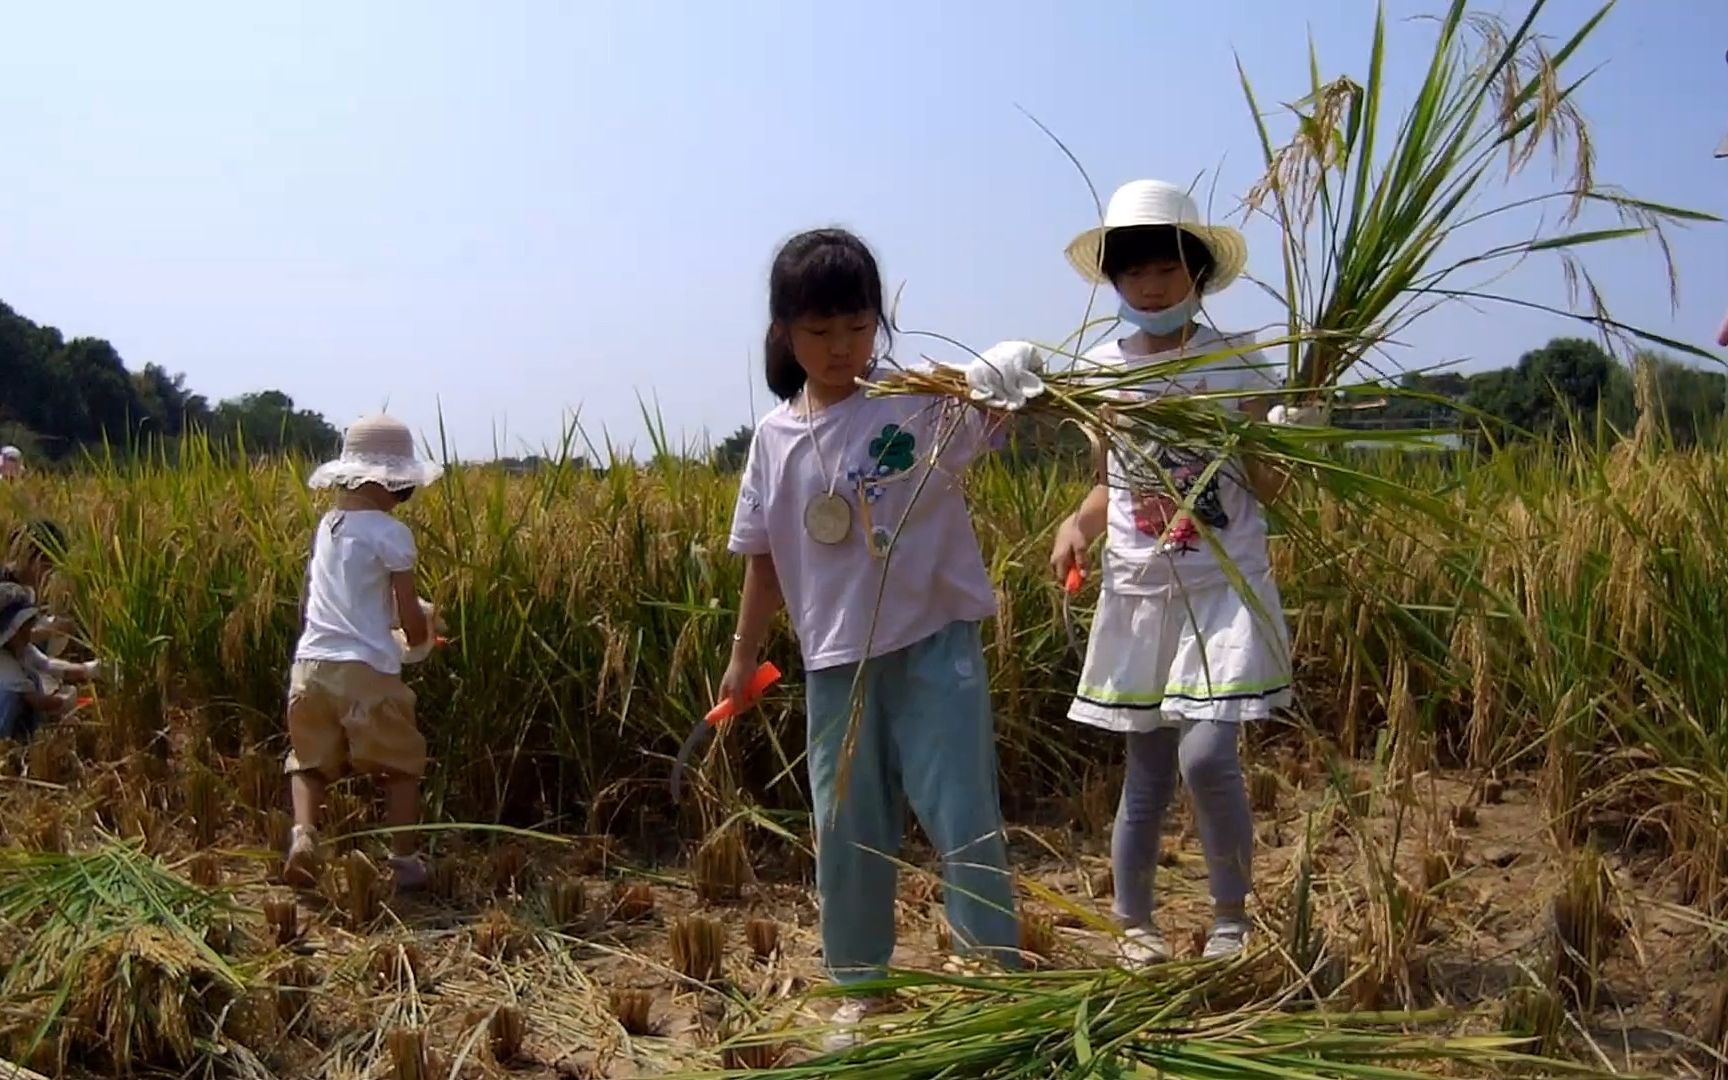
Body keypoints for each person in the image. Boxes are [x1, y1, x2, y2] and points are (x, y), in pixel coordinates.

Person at [722, 228, 1042, 1048]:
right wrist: (742, 655)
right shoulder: (772, 441)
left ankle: (990, 979)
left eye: (858, 327)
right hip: (836, 665)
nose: (840, 348)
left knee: (963, 812)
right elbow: (761, 561)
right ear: (784, 332)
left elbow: (1008, 400)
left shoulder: (918, 402)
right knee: (847, 824)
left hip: (935, 647)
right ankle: (861, 985)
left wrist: (1016, 369)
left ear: (880, 322)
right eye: (820, 332)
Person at [1048, 179, 1319, 965]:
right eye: (1133, 271)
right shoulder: (1099, 370)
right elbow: (1111, 481)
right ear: (1115, 281)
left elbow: (1268, 485)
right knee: (1147, 771)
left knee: (1206, 756)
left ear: (1196, 271)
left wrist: (1295, 434)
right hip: (1140, 591)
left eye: (1166, 267)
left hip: (1221, 588)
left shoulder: (1237, 362)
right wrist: (1074, 524)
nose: (1150, 283)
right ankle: (1135, 927)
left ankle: (1230, 919)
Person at [281, 413, 442, 891]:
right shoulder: (392, 533)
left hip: (310, 666)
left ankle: (304, 835)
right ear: (392, 481)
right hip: (366, 674)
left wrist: (394, 627)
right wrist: (422, 638)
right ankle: (404, 862)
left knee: (309, 763)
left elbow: (351, 601)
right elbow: (410, 620)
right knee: (401, 767)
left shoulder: (330, 525)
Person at [0, 582, 97, 742]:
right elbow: (39, 702)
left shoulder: (23, 649)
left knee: (35, 679)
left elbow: (48, 665)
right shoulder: (5, 663)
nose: (28, 632)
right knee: (21, 692)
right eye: (22, 628)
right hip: (5, 727)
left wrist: (89, 669)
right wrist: (67, 701)